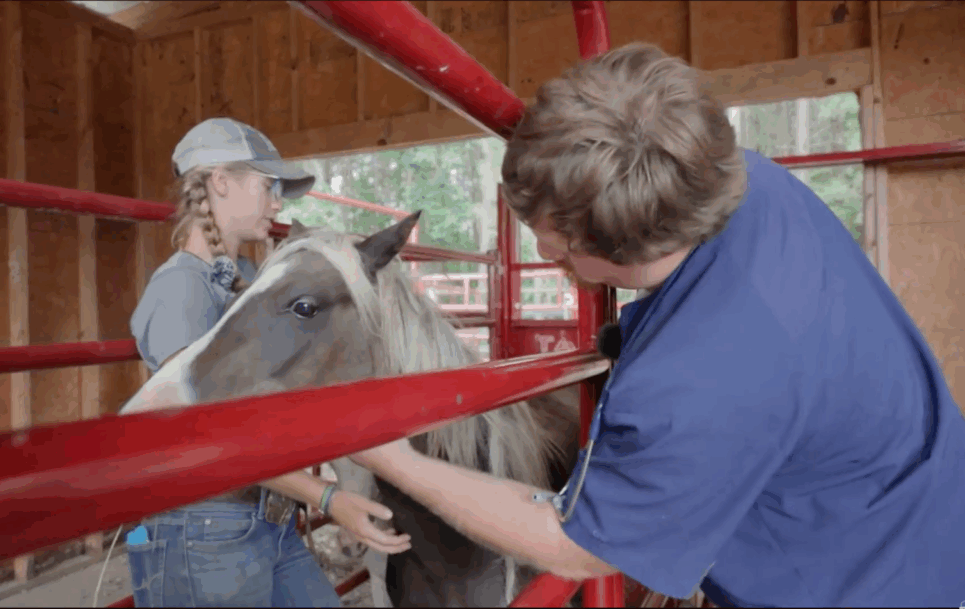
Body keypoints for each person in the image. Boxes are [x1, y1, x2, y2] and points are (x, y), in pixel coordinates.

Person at [349, 43, 965, 607]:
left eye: (557, 238)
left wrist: (395, 459)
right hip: (916, 516)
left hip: (864, 584)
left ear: (626, 249)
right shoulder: (740, 178)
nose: (540, 249)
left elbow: (574, 545)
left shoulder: (695, 382)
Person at [121, 117, 412, 608]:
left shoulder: (253, 278)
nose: (278, 203)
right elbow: (205, 428)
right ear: (221, 182)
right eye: (268, 187)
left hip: (266, 517)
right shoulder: (181, 288)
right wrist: (326, 497)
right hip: (202, 522)